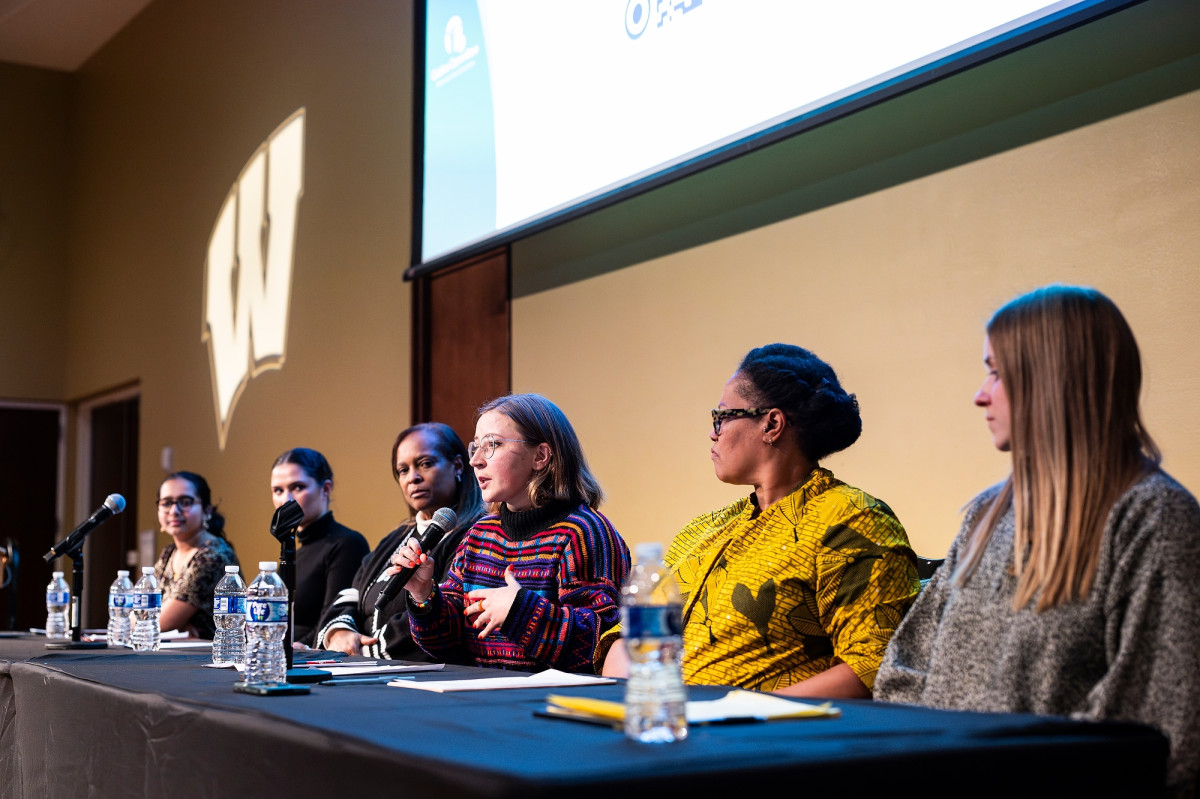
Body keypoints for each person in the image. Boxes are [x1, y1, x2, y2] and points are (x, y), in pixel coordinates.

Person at [874, 285, 1200, 797]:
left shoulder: (1152, 517)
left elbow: (1160, 730)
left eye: (998, 373)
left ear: (1055, 380)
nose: (981, 394)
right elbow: (904, 671)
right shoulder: (986, 513)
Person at [601, 344, 920, 698]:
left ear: (771, 423)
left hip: (769, 741)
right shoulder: (701, 530)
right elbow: (629, 636)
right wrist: (627, 698)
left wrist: (741, 710)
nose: (713, 432)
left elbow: (872, 665)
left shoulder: (853, 519)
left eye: (722, 416)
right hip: (664, 724)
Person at [393, 393, 631, 672]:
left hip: (549, 705)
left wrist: (521, 610)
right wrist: (425, 597)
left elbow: (599, 647)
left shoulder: (584, 533)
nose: (476, 461)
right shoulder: (480, 535)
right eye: (475, 447)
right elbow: (449, 644)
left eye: (492, 444)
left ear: (540, 456)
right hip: (484, 698)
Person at [313, 423, 486, 658]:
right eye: (403, 470)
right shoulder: (395, 538)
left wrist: (361, 651)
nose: (413, 478)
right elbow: (350, 594)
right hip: (363, 667)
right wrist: (339, 632)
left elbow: (444, 612)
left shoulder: (474, 535)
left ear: (457, 465)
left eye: (425, 464)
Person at [270, 448, 369, 647]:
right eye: (278, 490)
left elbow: (333, 618)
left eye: (297, 487)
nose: (285, 500)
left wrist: (300, 646)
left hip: (313, 659)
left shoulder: (347, 543)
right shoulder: (292, 550)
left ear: (325, 488)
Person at [153, 471, 239, 639]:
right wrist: (181, 627)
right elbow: (135, 615)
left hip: (209, 658)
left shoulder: (212, 556)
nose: (174, 510)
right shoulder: (168, 553)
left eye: (185, 502)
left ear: (207, 510)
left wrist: (173, 624)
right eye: (166, 503)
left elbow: (158, 624)